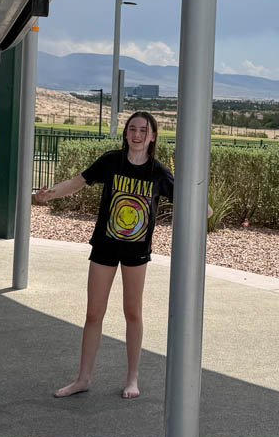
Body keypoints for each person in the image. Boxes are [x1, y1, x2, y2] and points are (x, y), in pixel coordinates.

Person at [33, 111, 174, 400]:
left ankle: (132, 378)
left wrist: (204, 204)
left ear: (153, 136)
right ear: (125, 133)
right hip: (105, 247)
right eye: (131, 129)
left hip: (136, 251)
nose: (136, 134)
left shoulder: (158, 172)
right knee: (93, 313)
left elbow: (192, 201)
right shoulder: (112, 161)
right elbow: (77, 181)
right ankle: (83, 378)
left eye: (143, 130)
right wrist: (50, 194)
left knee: (132, 312)